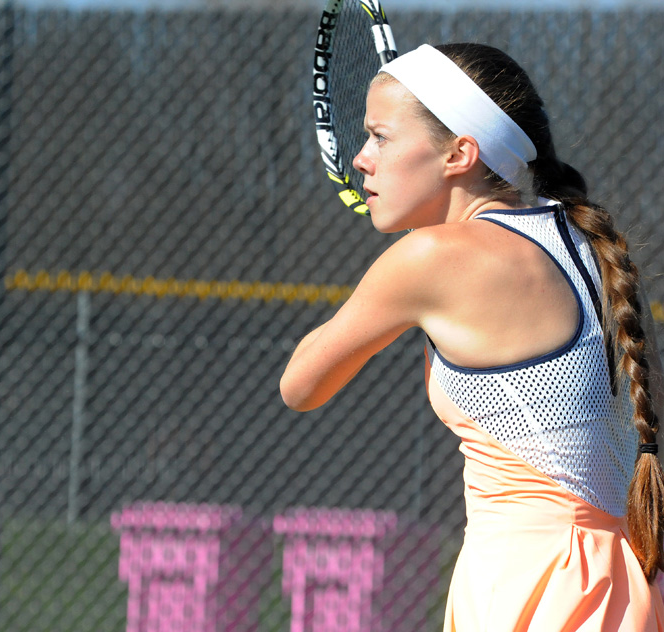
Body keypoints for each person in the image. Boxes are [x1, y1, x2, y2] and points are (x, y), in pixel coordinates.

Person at [280, 42, 664, 631]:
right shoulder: (592, 248)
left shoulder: (428, 257)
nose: (361, 158)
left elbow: (299, 385)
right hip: (633, 577)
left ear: (460, 153)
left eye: (381, 136)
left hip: (531, 583)